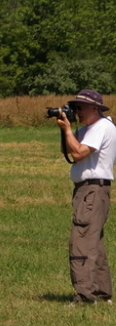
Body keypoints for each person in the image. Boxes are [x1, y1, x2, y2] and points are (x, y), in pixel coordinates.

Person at [56, 89, 116, 305]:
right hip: (92, 190)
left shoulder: (100, 128)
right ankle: (101, 292)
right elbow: (71, 151)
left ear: (95, 108)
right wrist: (66, 130)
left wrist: (69, 129)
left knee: (81, 241)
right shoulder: (94, 128)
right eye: (75, 107)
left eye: (81, 107)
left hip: (92, 190)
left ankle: (85, 295)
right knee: (94, 242)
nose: (78, 111)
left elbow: (79, 153)